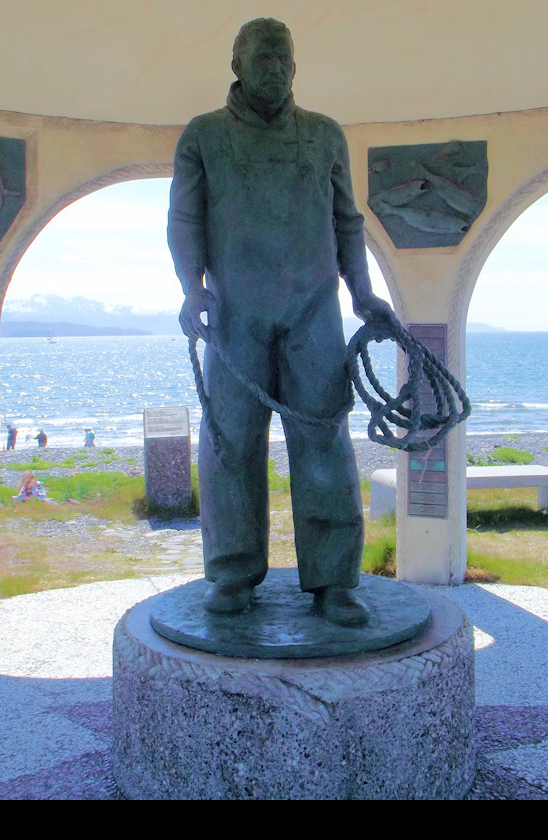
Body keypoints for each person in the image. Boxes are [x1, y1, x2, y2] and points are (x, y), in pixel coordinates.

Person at [167, 18, 395, 626]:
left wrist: (364, 291)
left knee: (322, 441)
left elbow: (346, 220)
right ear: (236, 65)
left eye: (284, 57)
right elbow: (184, 220)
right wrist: (192, 289)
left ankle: (334, 581)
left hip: (313, 314)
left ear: (296, 68)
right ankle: (233, 572)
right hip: (235, 315)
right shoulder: (203, 136)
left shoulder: (324, 135)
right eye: (262, 56)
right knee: (230, 444)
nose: (276, 67)